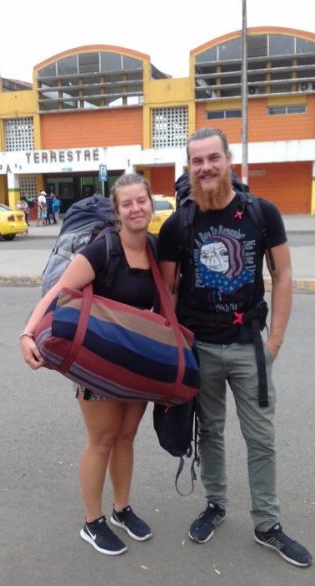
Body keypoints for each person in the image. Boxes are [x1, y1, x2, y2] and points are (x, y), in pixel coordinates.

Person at [158, 127, 312, 568]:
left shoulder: (262, 213)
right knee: (209, 432)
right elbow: (168, 291)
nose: (205, 167)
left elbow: (283, 275)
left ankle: (267, 523)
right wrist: (174, 350)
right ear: (189, 168)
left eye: (213, 158)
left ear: (228, 160)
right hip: (200, 347)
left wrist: (274, 341)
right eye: (197, 161)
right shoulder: (177, 224)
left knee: (260, 437)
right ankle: (215, 503)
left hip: (249, 347)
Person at [20, 173, 156, 556]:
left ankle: (121, 509)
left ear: (151, 204)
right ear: (117, 210)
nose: (135, 208)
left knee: (126, 437)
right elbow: (58, 292)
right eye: (127, 203)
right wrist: (27, 333)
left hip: (136, 359)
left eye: (141, 201)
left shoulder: (154, 249)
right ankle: (92, 522)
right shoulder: (102, 250)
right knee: (103, 439)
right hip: (96, 363)